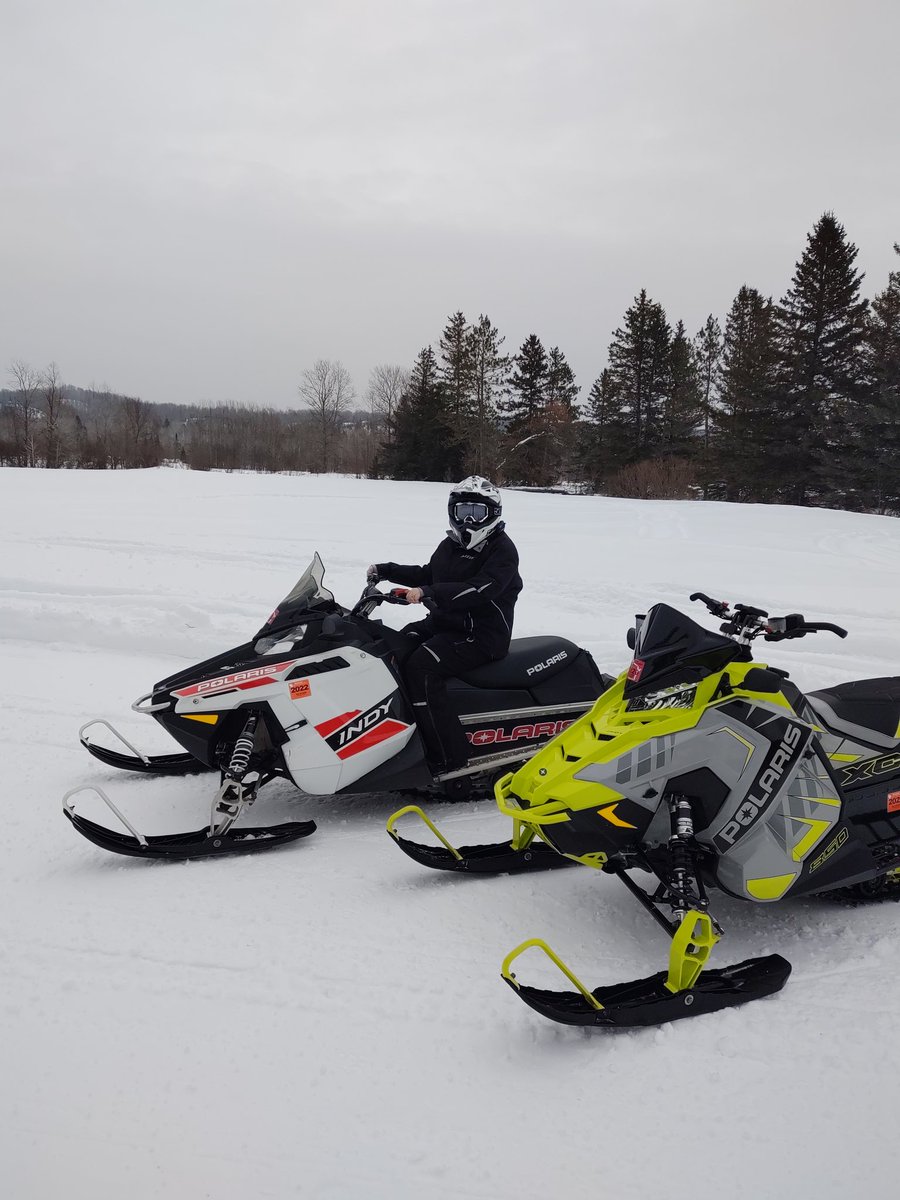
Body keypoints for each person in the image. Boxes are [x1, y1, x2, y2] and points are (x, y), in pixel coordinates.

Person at [369, 476, 522, 773]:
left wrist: (429, 592)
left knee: (421, 666)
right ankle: (395, 736)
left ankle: (448, 755)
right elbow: (430, 573)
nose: (468, 520)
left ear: (492, 514)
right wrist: (387, 571)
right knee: (393, 647)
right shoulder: (450, 545)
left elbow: (480, 589)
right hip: (444, 624)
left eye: (476, 513)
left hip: (482, 635)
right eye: (463, 511)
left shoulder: (502, 550)